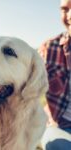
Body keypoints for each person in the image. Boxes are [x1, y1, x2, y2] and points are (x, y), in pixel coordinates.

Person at [39, 0, 71, 149]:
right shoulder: (49, 48)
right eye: (65, 9)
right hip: (60, 126)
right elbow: (23, 86)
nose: (69, 15)